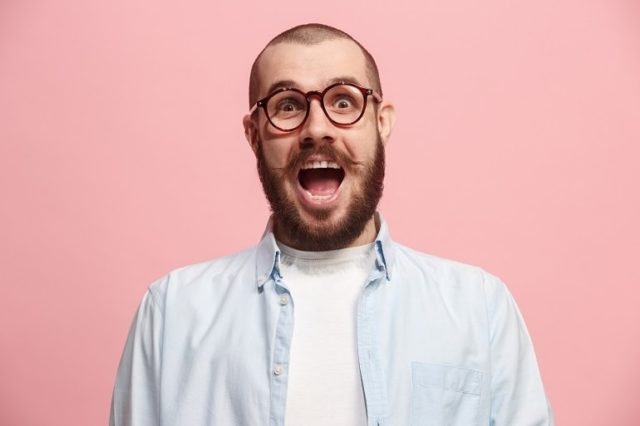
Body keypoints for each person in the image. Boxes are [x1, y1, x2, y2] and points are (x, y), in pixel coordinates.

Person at [110, 23, 554, 426]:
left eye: (344, 101)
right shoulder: (171, 313)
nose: (316, 128)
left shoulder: (480, 308)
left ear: (382, 123)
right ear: (253, 134)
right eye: (287, 105)